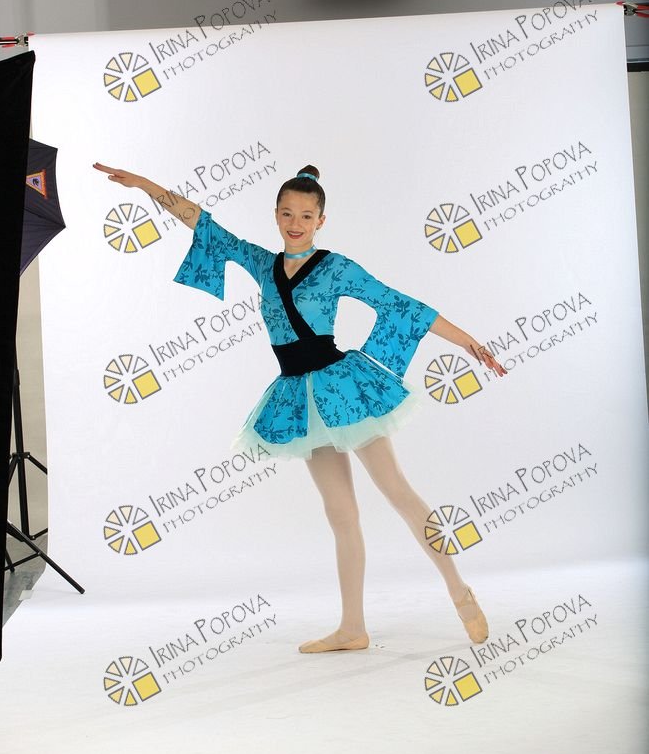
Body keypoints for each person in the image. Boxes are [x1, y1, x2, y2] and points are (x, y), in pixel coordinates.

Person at [93, 161, 507, 653]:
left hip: (344, 391)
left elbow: (400, 304)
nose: (296, 223)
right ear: (276, 215)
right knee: (340, 513)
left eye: (306, 216)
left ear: (320, 221)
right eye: (287, 213)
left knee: (398, 491)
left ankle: (459, 592)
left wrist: (469, 343)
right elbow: (201, 222)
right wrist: (146, 186)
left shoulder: (335, 267)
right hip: (298, 400)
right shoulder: (261, 264)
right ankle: (353, 628)